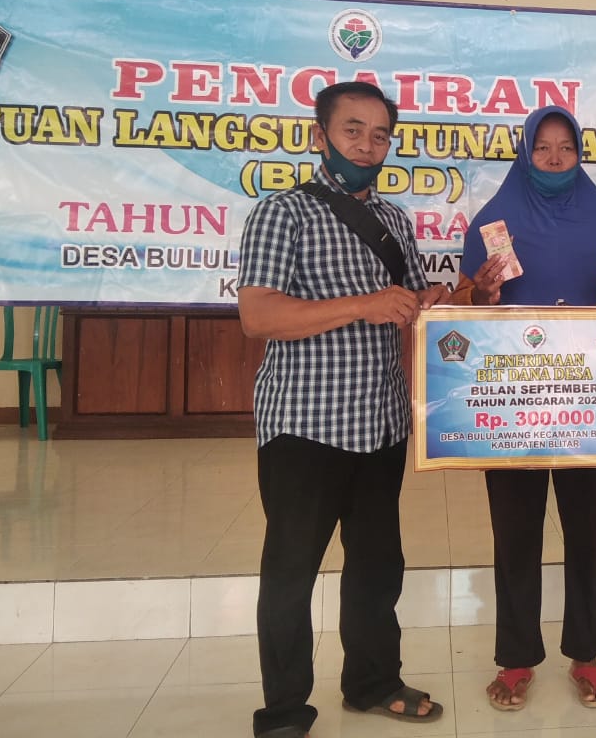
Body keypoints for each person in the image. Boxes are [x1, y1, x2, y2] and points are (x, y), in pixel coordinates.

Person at [238, 80, 452, 738]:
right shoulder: (283, 213)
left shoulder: (394, 221)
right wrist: (364, 304)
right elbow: (258, 315)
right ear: (320, 135)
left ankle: (371, 683)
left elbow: (409, 303)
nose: (367, 145)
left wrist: (448, 297)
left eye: (379, 135)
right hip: (306, 426)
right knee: (291, 572)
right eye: (352, 130)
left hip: (381, 423)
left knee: (377, 566)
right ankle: (283, 711)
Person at [452, 105, 596, 712]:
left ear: (579, 154)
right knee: (515, 531)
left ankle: (586, 654)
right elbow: (466, 304)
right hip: (514, 400)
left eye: (566, 148)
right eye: (543, 148)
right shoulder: (496, 224)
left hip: (586, 399)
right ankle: (515, 659)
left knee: (587, 529)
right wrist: (482, 293)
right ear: (526, 152)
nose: (555, 158)